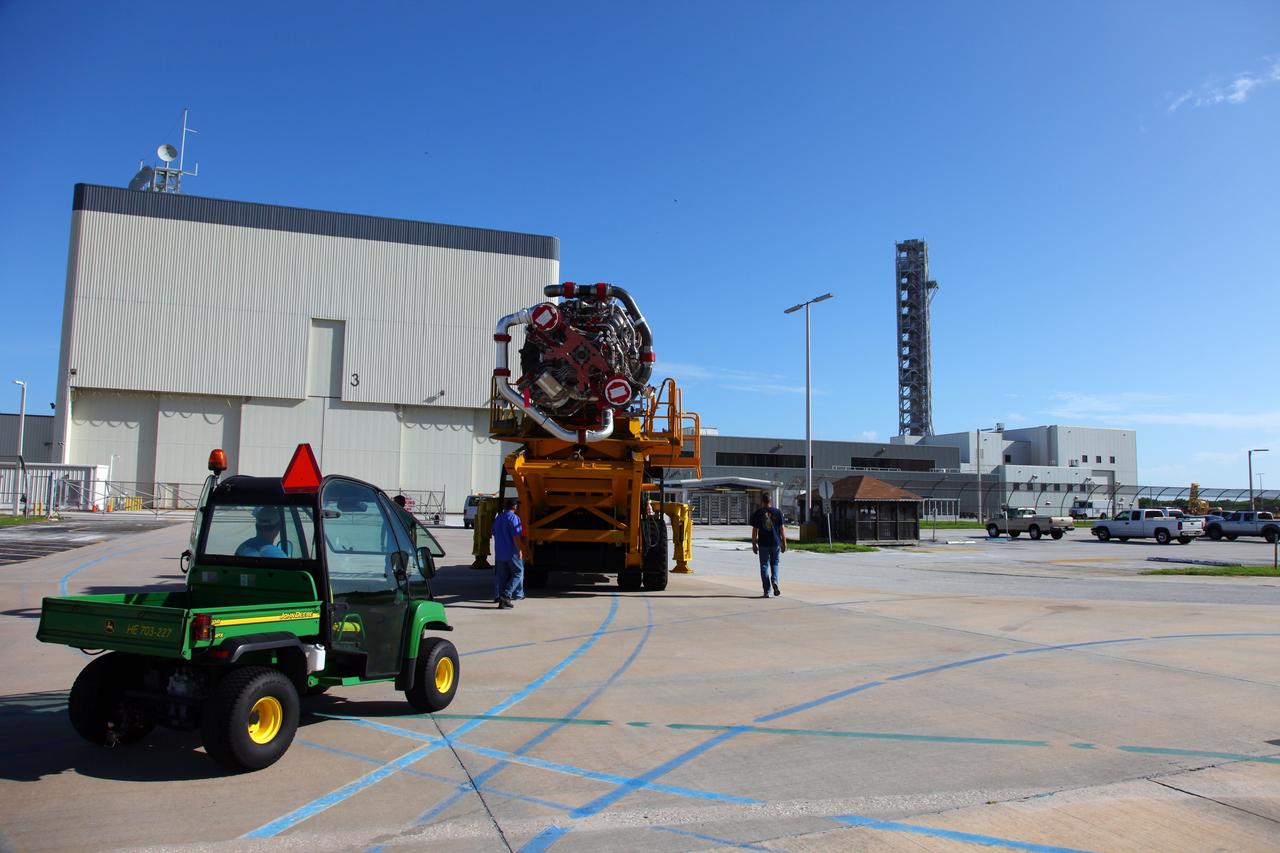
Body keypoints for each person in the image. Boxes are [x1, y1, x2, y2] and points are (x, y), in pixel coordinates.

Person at [750, 493, 786, 598]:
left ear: (762, 501)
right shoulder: (778, 512)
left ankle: (767, 590)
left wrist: (753, 543)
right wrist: (784, 542)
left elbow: (755, 529)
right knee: (774, 563)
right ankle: (774, 580)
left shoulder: (758, 513)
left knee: (764, 566)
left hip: (763, 543)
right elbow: (782, 529)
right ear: (771, 501)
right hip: (775, 543)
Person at [491, 498, 525, 609]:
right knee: (518, 573)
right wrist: (520, 550)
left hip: (500, 552)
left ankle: (502, 600)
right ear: (514, 507)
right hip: (512, 552)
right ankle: (506, 595)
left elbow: (494, 533)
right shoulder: (514, 518)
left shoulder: (498, 518)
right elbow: (516, 536)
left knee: (501, 577)